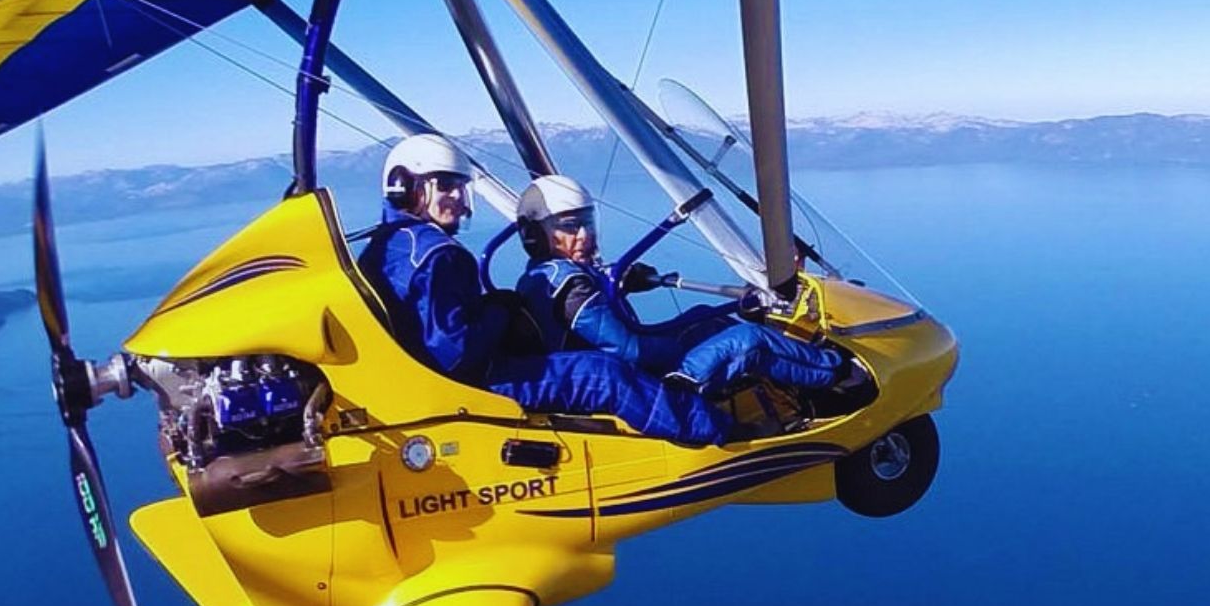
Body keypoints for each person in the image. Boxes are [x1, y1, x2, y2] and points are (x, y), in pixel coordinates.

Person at [358, 135, 730, 444]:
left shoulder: (385, 245)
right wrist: (499, 312)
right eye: (445, 185)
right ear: (405, 185)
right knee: (603, 374)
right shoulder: (438, 255)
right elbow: (454, 353)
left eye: (460, 186)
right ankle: (720, 434)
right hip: (468, 381)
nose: (457, 197)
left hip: (419, 381)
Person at [514, 174, 857, 399]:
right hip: (634, 381)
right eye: (570, 227)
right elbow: (628, 350)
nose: (585, 235)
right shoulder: (571, 286)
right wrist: (679, 344)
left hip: (614, 370)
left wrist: (622, 283)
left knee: (703, 317)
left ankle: (793, 377)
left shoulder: (544, 275)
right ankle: (840, 373)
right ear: (535, 235)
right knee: (748, 341)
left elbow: (598, 318)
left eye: (587, 223)